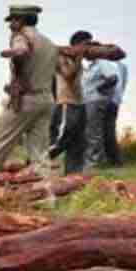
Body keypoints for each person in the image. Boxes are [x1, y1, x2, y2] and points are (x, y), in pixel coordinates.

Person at [0, 5, 59, 174]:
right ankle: (45, 193)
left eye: (13, 20)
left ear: (21, 21)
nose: (10, 25)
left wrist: (14, 52)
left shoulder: (20, 36)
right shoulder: (49, 43)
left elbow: (21, 50)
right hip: (46, 100)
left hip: (25, 101)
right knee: (40, 153)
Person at [48, 30, 90, 175]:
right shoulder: (60, 57)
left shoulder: (80, 61)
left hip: (80, 104)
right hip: (66, 103)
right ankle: (34, 163)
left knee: (78, 143)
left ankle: (73, 176)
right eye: (86, 44)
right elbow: (68, 75)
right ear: (77, 45)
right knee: (61, 140)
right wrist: (79, 56)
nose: (88, 48)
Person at [81, 46, 120, 170]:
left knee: (94, 132)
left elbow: (113, 78)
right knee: (92, 131)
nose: (85, 54)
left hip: (96, 100)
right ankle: (97, 160)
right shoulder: (92, 66)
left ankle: (94, 163)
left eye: (87, 51)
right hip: (89, 100)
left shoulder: (103, 63)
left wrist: (100, 89)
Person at [105, 57, 128, 166]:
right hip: (115, 100)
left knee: (106, 131)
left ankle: (115, 160)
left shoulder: (108, 65)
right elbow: (122, 85)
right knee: (109, 131)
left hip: (107, 100)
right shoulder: (122, 66)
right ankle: (115, 160)